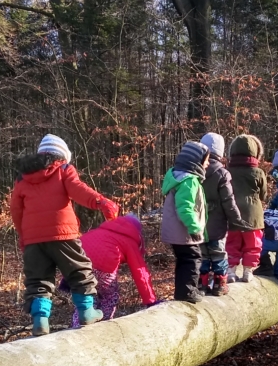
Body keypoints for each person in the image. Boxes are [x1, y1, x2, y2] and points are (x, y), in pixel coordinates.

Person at [10, 134, 120, 336]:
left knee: (38, 280)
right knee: (79, 270)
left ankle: (41, 320)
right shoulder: (63, 170)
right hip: (63, 233)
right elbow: (78, 190)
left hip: (34, 240)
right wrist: (101, 202)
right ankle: (86, 311)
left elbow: (16, 210)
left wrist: (23, 236)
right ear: (62, 156)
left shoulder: (22, 177)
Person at [64, 215, 159, 327]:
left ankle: (78, 328)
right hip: (103, 268)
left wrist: (67, 279)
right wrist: (151, 301)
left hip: (78, 266)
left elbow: (76, 251)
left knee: (86, 298)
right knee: (109, 296)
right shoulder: (129, 240)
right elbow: (140, 273)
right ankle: (104, 326)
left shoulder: (97, 232)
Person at [198, 132, 248, 296]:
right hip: (217, 225)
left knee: (203, 255)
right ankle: (220, 284)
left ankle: (202, 284)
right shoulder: (222, 173)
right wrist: (237, 220)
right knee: (219, 254)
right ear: (220, 152)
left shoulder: (196, 171)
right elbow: (228, 201)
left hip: (198, 224)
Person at [161, 140, 209, 302]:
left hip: (177, 232)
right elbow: (185, 207)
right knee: (193, 259)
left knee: (184, 260)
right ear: (196, 162)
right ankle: (187, 292)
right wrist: (194, 227)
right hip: (184, 232)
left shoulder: (179, 177)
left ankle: (184, 291)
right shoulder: (189, 181)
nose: (208, 164)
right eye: (206, 160)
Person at [226, 134, 268, 282]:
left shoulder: (228, 171)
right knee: (253, 244)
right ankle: (247, 271)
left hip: (232, 213)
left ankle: (230, 271)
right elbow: (263, 195)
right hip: (253, 214)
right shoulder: (258, 172)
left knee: (232, 243)